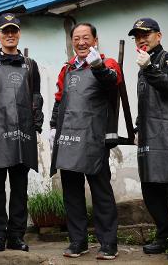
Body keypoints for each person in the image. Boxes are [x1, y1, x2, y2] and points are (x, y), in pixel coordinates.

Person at [0, 13, 43, 252]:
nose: (10, 35)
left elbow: (36, 95)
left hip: (22, 131)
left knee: (20, 186)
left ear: (19, 33)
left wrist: (37, 118)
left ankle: (16, 235)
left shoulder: (30, 64)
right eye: (5, 31)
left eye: (14, 30)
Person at [49, 22, 121, 260]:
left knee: (101, 191)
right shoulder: (67, 69)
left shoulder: (107, 63)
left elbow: (112, 82)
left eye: (86, 37)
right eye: (76, 38)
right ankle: (78, 241)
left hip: (94, 137)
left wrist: (97, 65)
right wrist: (52, 127)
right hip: (69, 137)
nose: (81, 42)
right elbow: (59, 100)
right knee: (72, 193)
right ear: (72, 42)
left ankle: (108, 243)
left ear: (95, 39)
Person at [129, 18, 168, 262]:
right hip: (149, 135)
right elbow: (145, 103)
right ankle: (164, 235)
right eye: (137, 36)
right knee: (151, 189)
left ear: (159, 35)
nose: (141, 39)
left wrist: (149, 69)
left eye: (146, 34)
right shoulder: (142, 67)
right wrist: (137, 128)